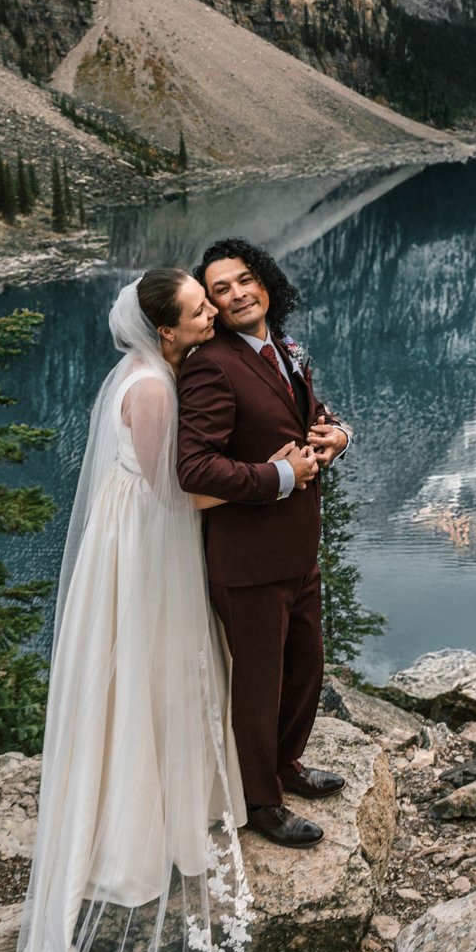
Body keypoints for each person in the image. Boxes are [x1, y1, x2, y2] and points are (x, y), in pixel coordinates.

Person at [0, 267, 288, 952]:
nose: (212, 316)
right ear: (166, 330)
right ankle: (133, 829)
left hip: (135, 535)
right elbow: (178, 491)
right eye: (197, 312)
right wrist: (280, 478)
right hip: (144, 542)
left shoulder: (154, 370)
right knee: (148, 667)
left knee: (146, 676)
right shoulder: (153, 388)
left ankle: (154, 801)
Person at [176, 238, 353, 848]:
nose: (237, 294)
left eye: (245, 279)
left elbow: (308, 415)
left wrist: (338, 437)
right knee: (259, 682)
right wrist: (279, 476)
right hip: (248, 558)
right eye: (220, 290)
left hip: (297, 549)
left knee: (305, 667)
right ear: (212, 306)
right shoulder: (210, 366)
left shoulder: (283, 349)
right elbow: (193, 469)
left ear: (266, 283)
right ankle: (260, 801)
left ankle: (285, 763)